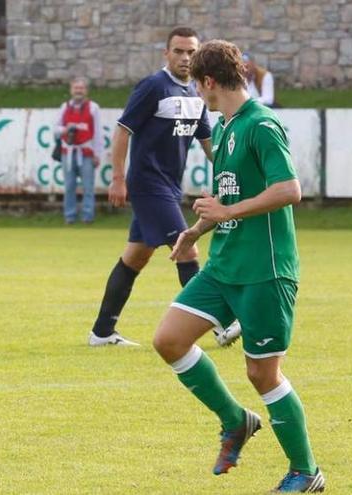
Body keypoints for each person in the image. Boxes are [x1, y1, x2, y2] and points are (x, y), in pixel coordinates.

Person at [151, 40, 324, 492]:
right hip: (223, 264)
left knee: (262, 373)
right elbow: (228, 197)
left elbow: (289, 190)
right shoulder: (225, 128)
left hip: (265, 269)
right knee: (168, 339)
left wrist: (226, 213)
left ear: (209, 82)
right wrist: (197, 230)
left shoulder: (262, 125)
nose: (200, 95)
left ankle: (306, 472)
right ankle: (235, 420)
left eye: (199, 86)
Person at [88, 26, 240, 348]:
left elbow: (208, 142)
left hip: (170, 187)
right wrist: (117, 178)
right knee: (188, 247)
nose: (186, 58)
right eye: (179, 51)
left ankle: (101, 332)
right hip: (147, 184)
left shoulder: (196, 94)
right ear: (166, 53)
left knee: (135, 258)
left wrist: (234, 170)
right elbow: (122, 131)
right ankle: (221, 325)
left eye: (191, 52)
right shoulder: (153, 87)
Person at [53, 77, 103, 224]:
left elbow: (98, 133)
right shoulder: (64, 107)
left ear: (86, 91)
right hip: (67, 151)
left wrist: (97, 154)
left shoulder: (93, 108)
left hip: (86, 151)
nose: (78, 91)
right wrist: (65, 129)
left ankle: (88, 216)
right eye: (76, 88)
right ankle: (69, 216)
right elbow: (55, 129)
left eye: (81, 88)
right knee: (69, 186)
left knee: (88, 186)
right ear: (71, 90)